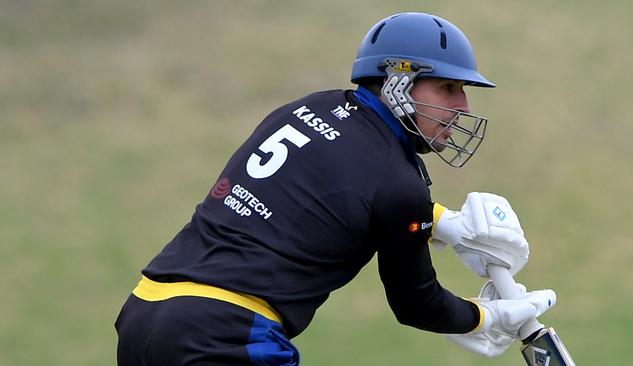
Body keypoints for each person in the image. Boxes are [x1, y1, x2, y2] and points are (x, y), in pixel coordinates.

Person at [115, 12, 556, 365]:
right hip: (227, 337)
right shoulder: (399, 181)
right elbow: (416, 304)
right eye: (448, 88)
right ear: (397, 82)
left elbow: (338, 186)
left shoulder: (313, 107)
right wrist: (485, 317)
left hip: (145, 313)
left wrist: (447, 224)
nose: (462, 107)